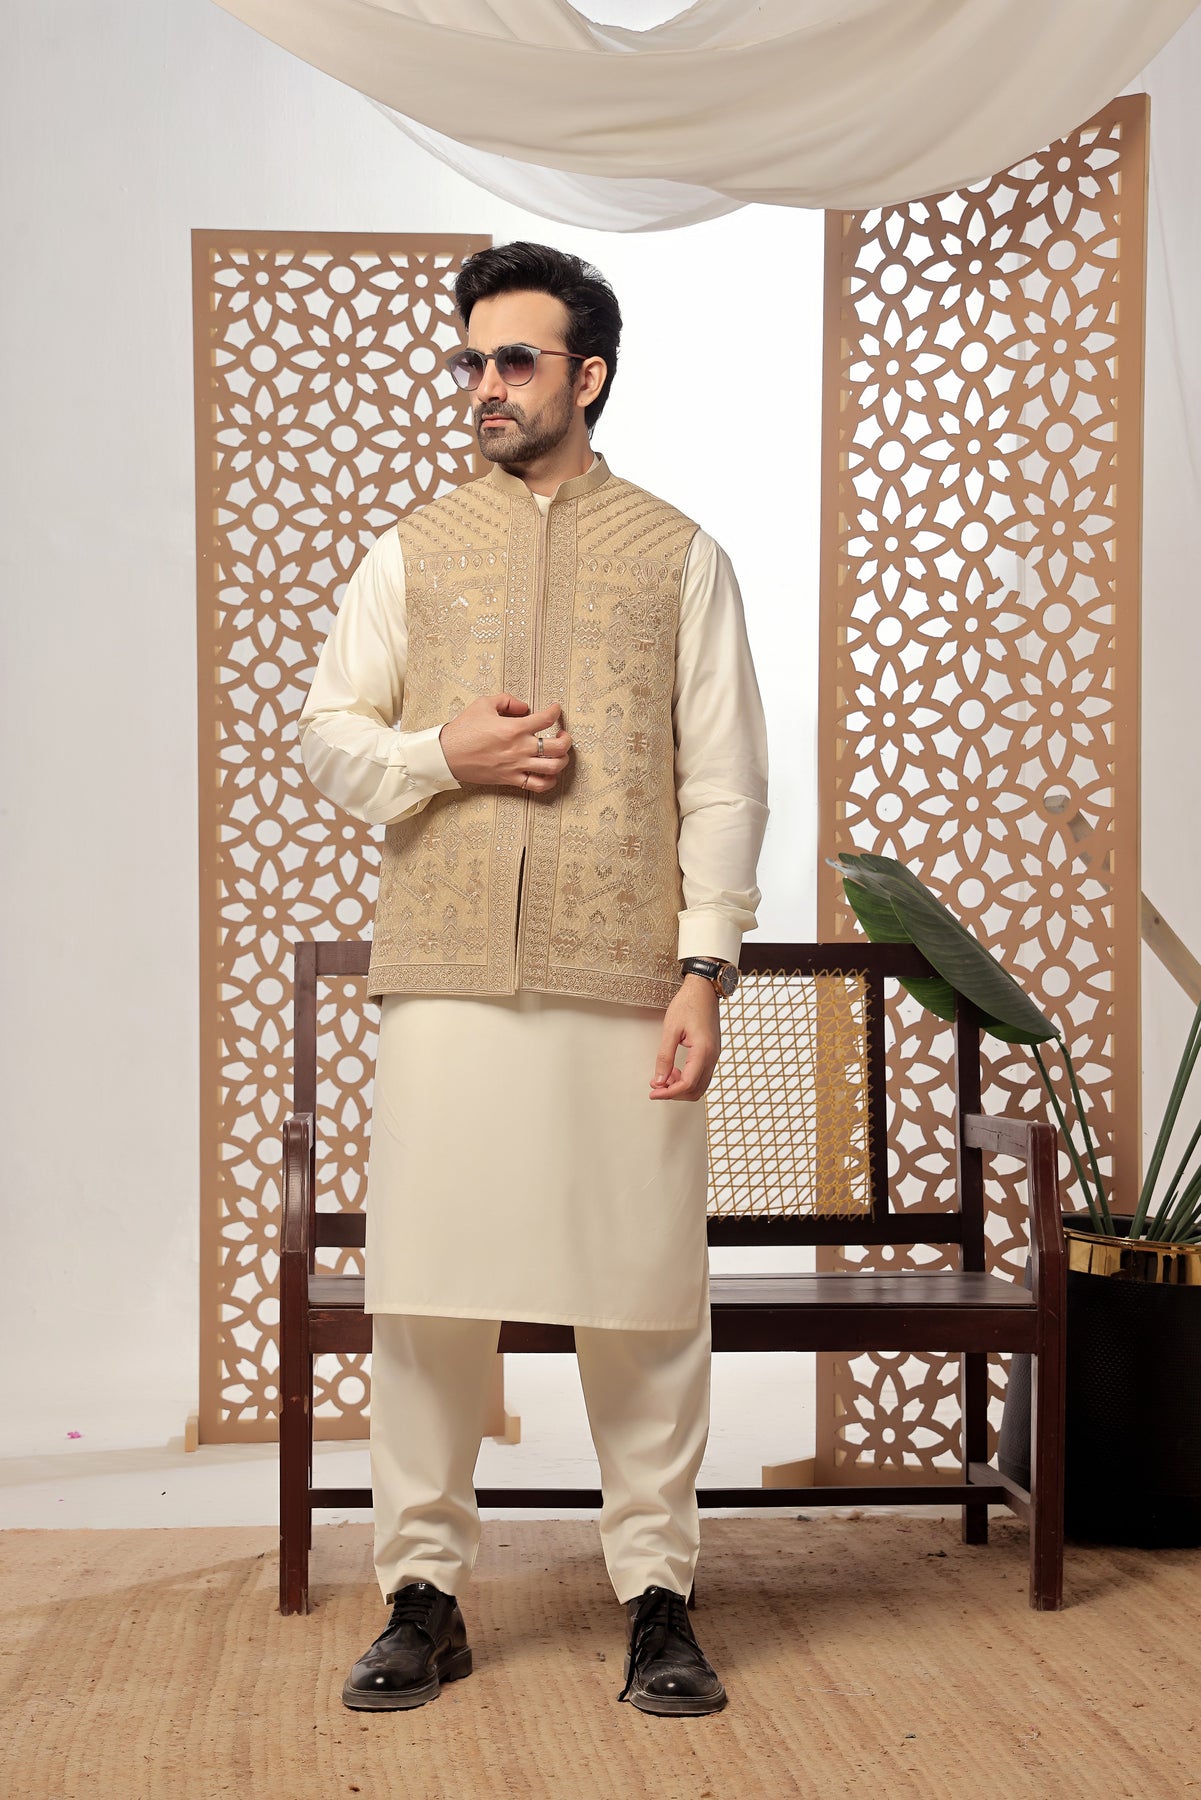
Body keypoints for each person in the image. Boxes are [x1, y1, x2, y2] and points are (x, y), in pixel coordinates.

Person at [297, 240, 769, 1718]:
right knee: (428, 1297)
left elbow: (725, 782)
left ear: (589, 375)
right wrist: (444, 753)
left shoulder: (680, 556)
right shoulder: (414, 550)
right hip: (446, 972)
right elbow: (327, 737)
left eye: (515, 359)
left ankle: (657, 1598)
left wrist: (703, 967)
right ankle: (421, 1597)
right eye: (472, 359)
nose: (485, 385)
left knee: (642, 1297)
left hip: (624, 977)